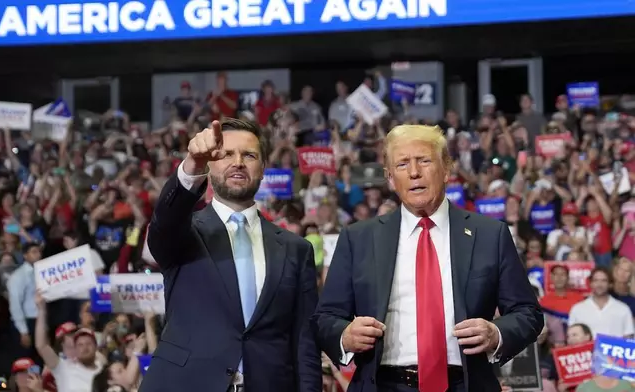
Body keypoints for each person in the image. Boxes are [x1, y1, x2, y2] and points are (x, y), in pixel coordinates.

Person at [312, 124, 543, 392]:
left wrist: (497, 334)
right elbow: (325, 317)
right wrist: (345, 335)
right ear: (389, 178)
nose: (414, 172)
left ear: (446, 169)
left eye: (424, 160)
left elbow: (528, 313)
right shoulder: (358, 238)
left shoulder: (490, 234)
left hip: (465, 384)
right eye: (402, 164)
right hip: (383, 385)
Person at [140, 118, 321, 392]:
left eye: (249, 155)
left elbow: (305, 342)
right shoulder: (183, 232)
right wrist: (191, 165)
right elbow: (164, 223)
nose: (238, 162)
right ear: (210, 164)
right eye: (226, 154)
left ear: (262, 168)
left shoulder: (297, 249)